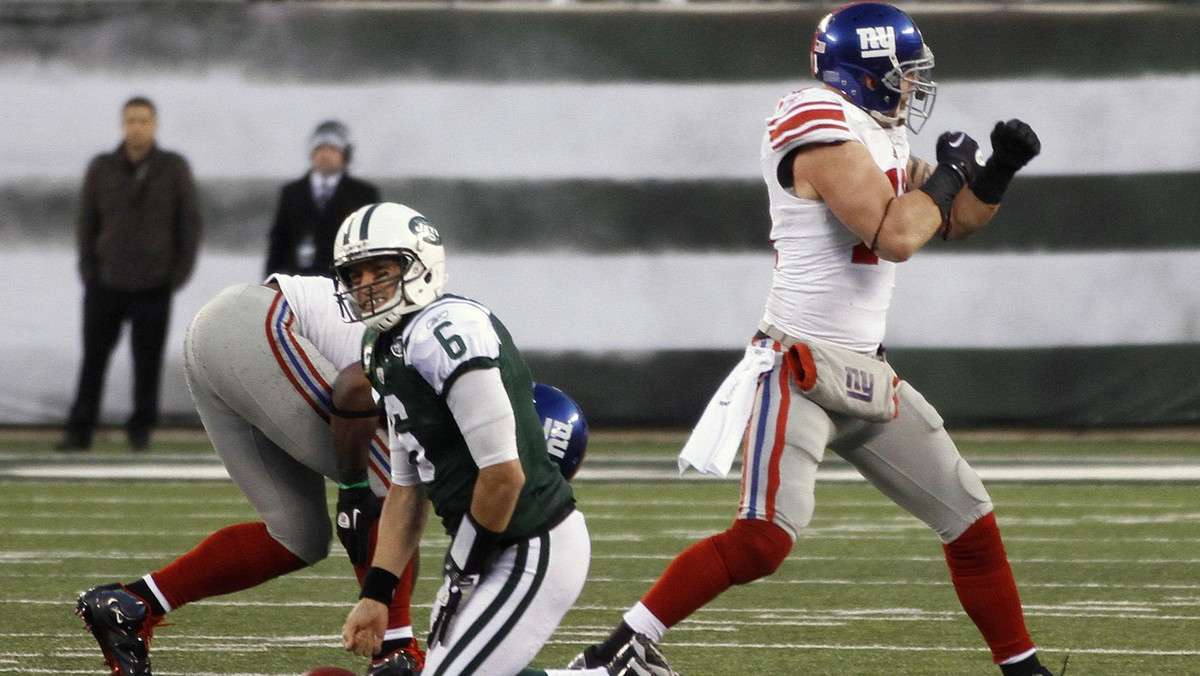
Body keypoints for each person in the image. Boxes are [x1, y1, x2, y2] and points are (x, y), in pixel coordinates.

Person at [569, 3, 1051, 676]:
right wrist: (946, 176)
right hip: (798, 369)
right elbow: (897, 235)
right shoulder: (816, 123)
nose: (912, 88)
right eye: (903, 74)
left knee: (970, 518)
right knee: (764, 540)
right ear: (865, 73)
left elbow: (954, 219)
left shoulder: (875, 134)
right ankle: (615, 651)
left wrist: (997, 169)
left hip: (867, 374)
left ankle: (1024, 671)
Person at [74, 274, 423, 676]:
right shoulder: (436, 351)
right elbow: (353, 391)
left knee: (298, 534)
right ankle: (396, 656)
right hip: (254, 324)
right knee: (390, 485)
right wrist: (354, 485)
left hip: (227, 334)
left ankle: (133, 604)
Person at [331, 203, 621, 676]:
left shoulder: (446, 332)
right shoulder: (381, 346)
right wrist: (377, 594)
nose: (365, 287)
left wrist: (460, 569)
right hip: (490, 546)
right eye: (355, 275)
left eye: (380, 271)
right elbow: (407, 490)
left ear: (420, 264)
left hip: (534, 543)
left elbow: (504, 476)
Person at [59, 96, 203, 451]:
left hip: (154, 283)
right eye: (131, 120)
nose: (136, 127)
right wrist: (88, 269)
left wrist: (176, 275)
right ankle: (81, 430)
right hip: (105, 281)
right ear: (122, 125)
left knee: (147, 361)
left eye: (143, 120)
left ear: (154, 125)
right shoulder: (102, 166)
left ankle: (140, 431)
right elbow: (85, 220)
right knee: (93, 358)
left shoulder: (172, 167)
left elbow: (190, 223)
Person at [265, 119, 381, 277]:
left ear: (345, 155)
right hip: (299, 284)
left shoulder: (363, 194)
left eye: (333, 150)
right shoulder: (292, 193)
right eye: (320, 149)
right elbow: (278, 244)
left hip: (346, 282)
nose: (325, 156)